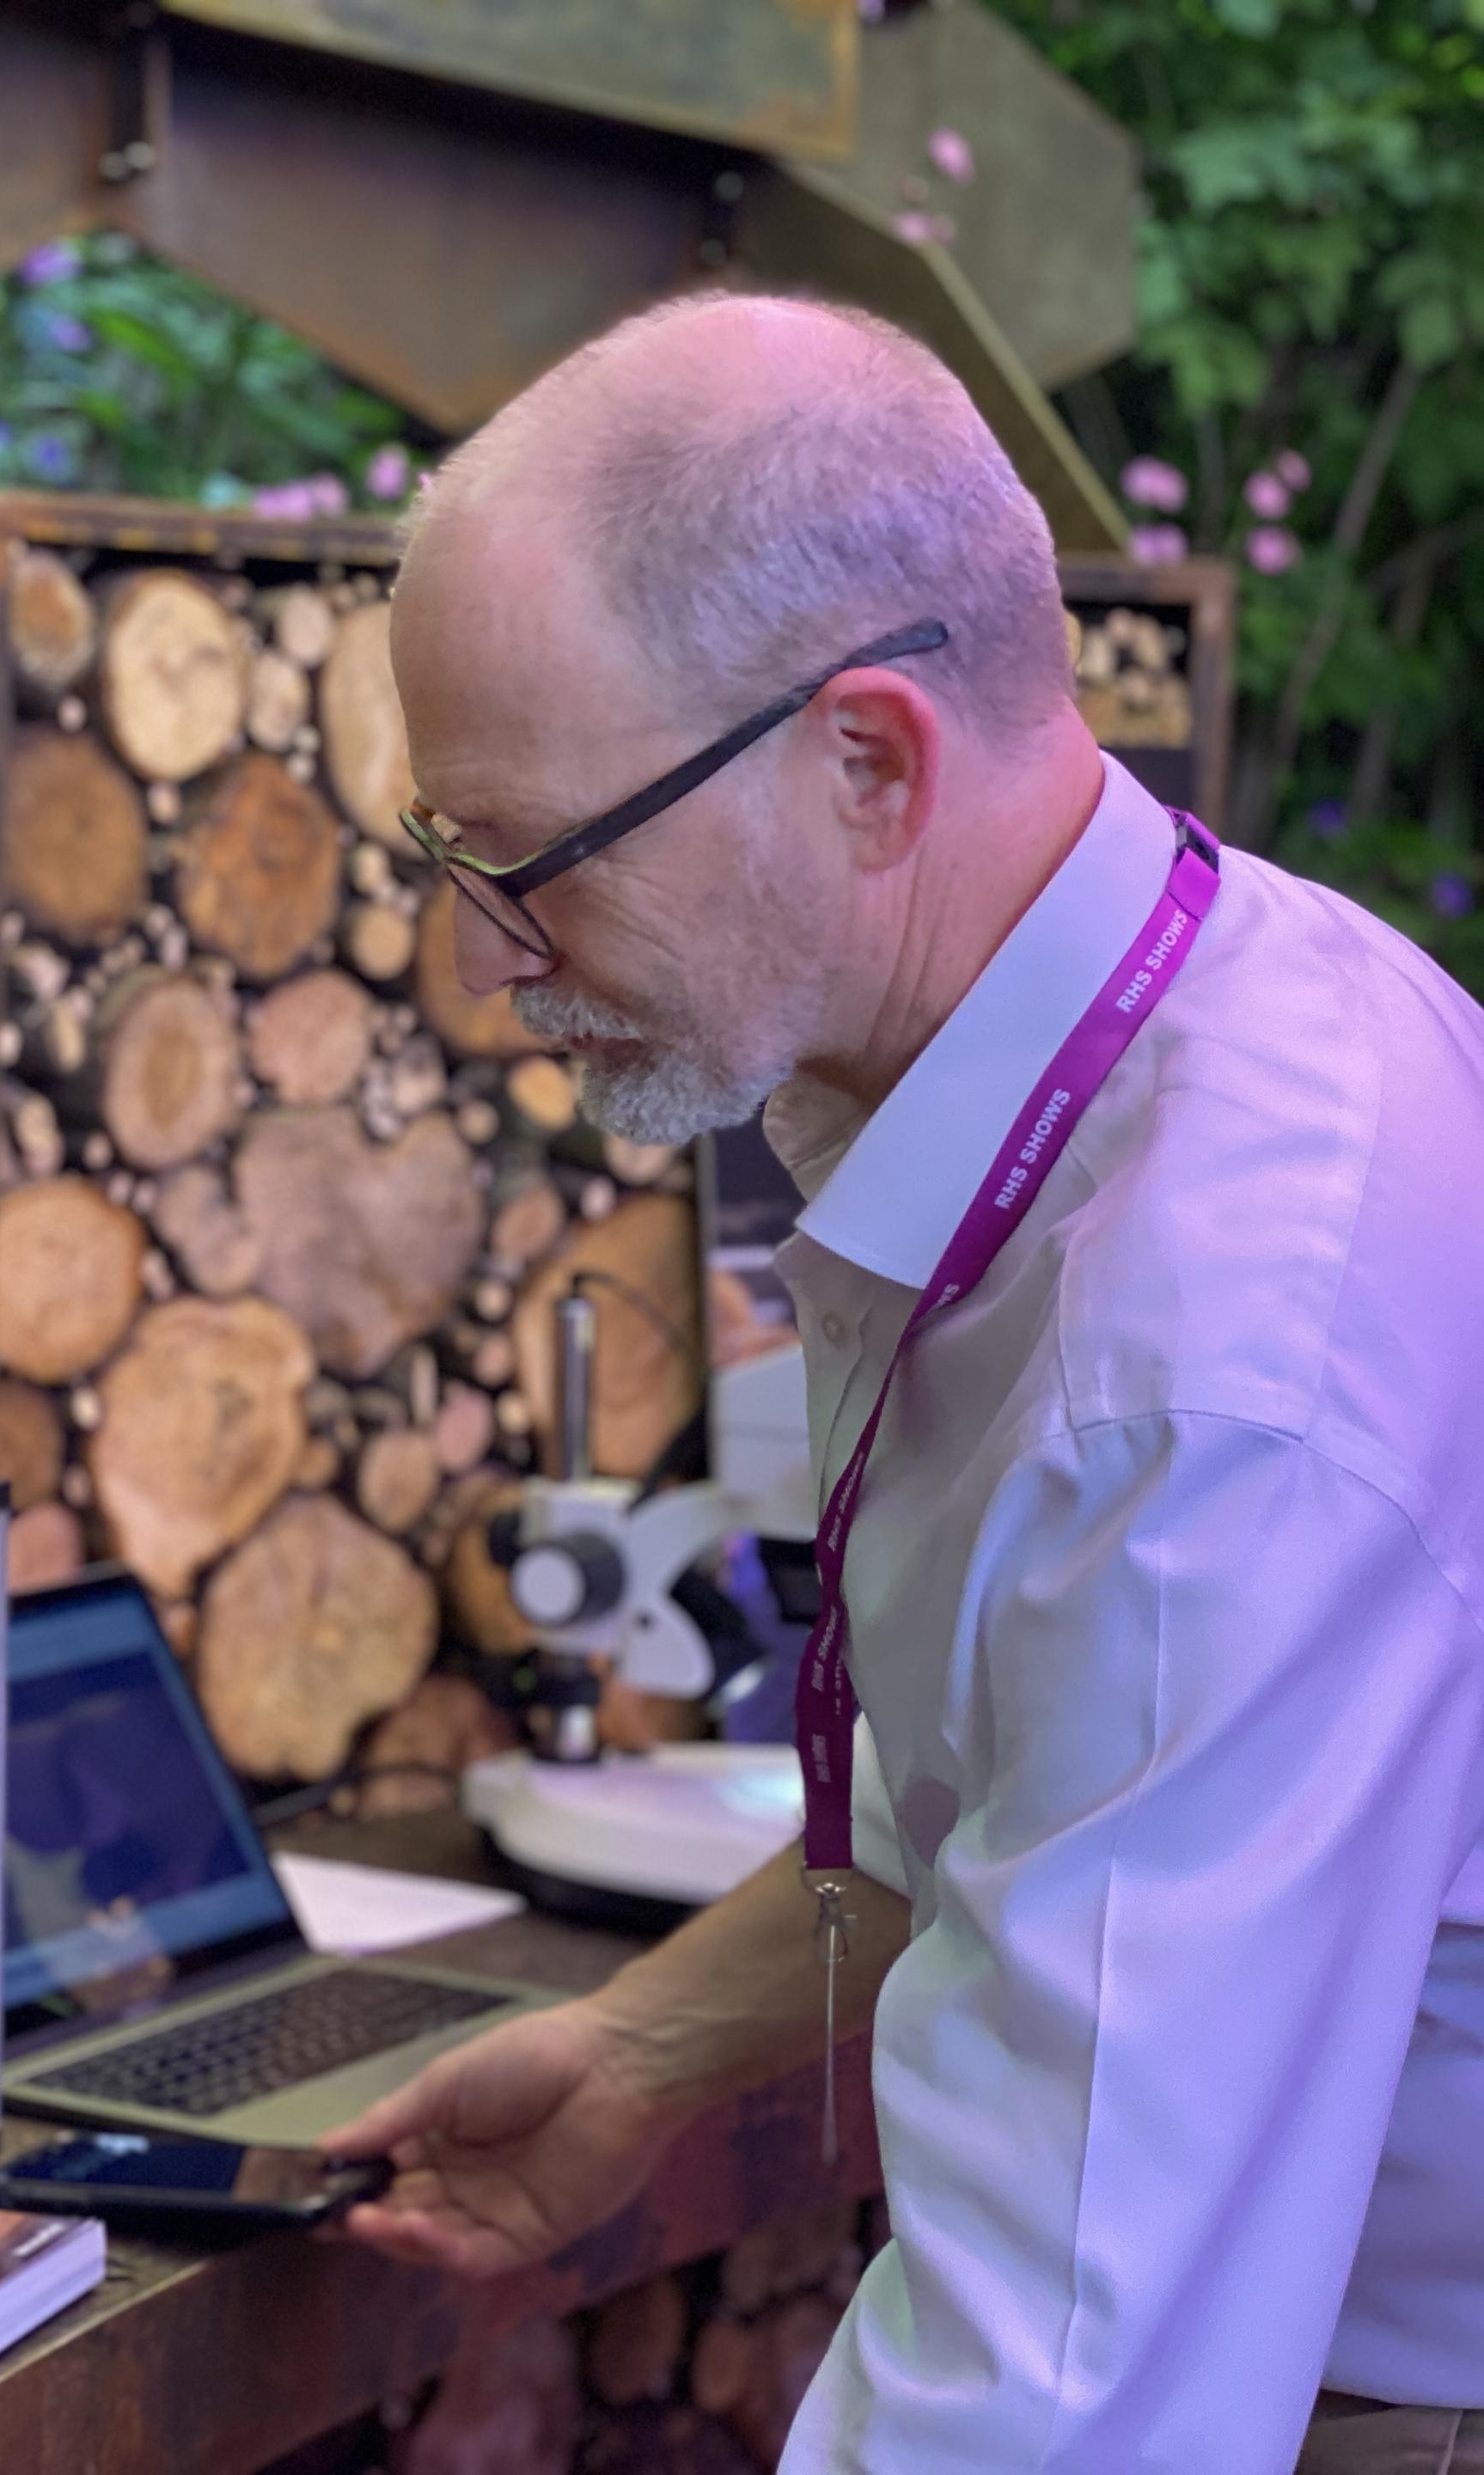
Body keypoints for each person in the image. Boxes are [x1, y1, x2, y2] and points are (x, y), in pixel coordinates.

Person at [323, 292, 1484, 2472]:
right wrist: (650, 2050)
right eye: (442, 858)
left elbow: (1058, 2406)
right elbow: (1039, 1766)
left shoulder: (1204, 1370)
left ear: (867, 762)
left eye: (529, 859)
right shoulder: (1138, 1026)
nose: (477, 958)